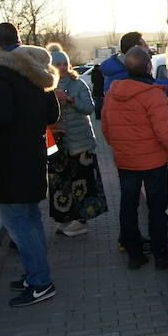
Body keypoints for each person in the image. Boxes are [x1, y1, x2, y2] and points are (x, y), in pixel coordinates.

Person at [0, 23, 60, 306]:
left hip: (8, 160)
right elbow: (52, 112)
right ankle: (36, 274)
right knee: (31, 217)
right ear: (20, 41)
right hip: (33, 154)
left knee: (17, 223)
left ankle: (40, 282)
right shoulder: (38, 69)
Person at [101, 47, 168, 270]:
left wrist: (120, 148)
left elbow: (106, 128)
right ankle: (160, 255)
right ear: (148, 67)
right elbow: (164, 132)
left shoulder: (112, 93)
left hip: (125, 162)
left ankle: (134, 254)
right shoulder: (153, 93)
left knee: (128, 206)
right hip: (153, 163)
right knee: (157, 209)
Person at [47, 44, 108, 237]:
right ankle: (66, 220)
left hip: (80, 144)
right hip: (54, 144)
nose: (62, 67)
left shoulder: (78, 83)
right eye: (57, 64)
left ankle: (81, 221)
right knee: (60, 183)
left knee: (82, 182)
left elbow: (89, 108)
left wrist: (69, 99)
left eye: (65, 63)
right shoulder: (45, 86)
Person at [101, 31, 168, 96]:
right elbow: (163, 88)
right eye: (145, 46)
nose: (148, 49)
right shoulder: (130, 75)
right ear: (136, 48)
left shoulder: (113, 71)